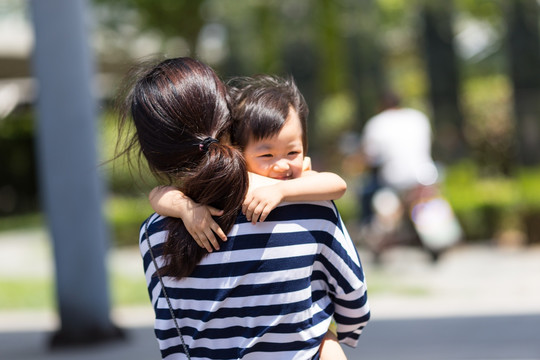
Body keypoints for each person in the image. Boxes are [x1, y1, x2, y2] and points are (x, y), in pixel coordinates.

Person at [118, 57, 370, 359]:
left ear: (152, 151)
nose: (282, 164)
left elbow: (172, 339)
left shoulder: (154, 233)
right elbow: (354, 303)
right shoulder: (310, 211)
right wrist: (328, 336)